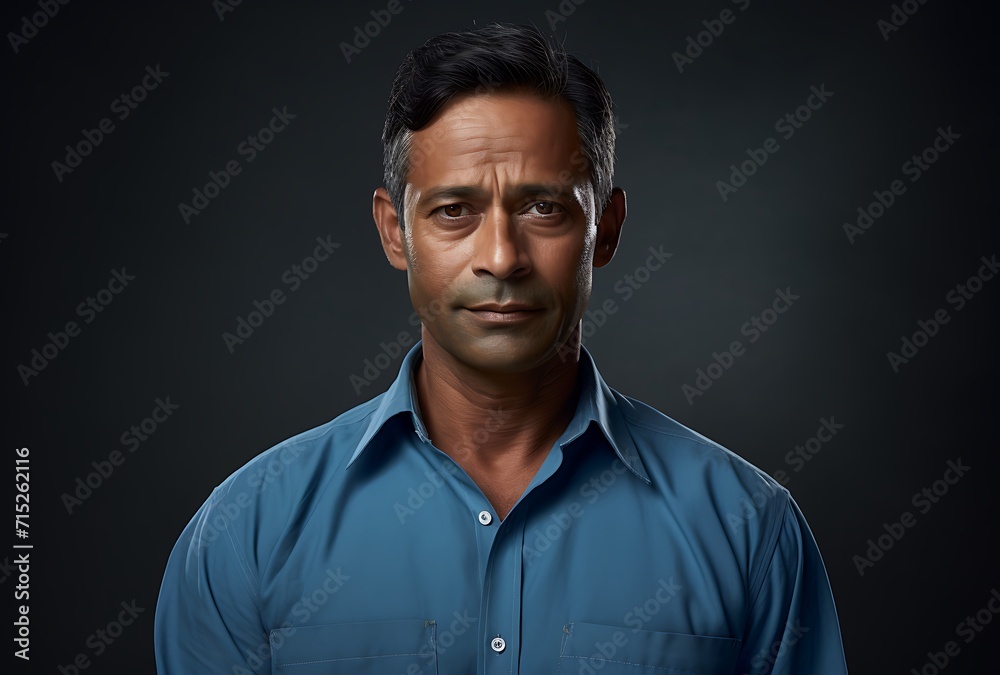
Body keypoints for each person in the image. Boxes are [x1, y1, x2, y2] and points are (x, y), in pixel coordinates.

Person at [154, 22, 849, 675]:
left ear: (605, 230)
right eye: (453, 210)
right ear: (395, 231)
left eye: (544, 207)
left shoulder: (750, 529)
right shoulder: (246, 532)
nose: (501, 257)